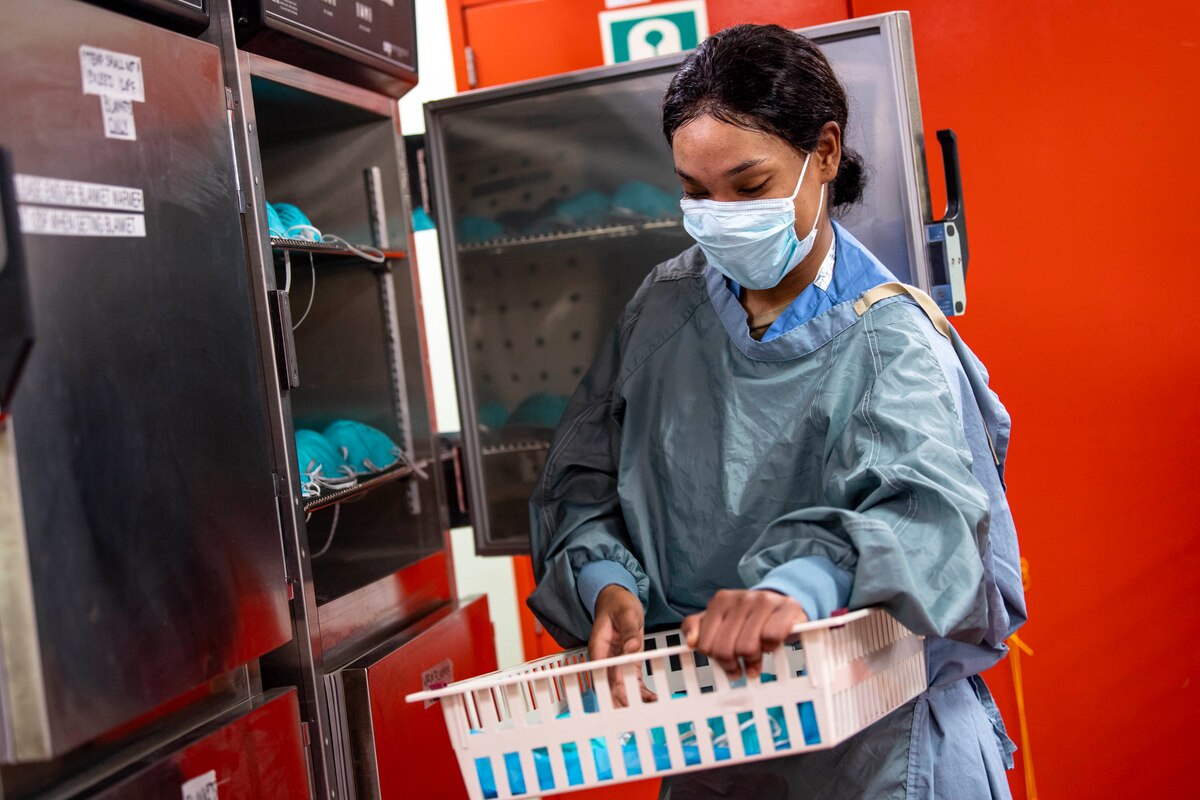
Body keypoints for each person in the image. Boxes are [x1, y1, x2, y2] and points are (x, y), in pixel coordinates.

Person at [528, 23, 1026, 800]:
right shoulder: (662, 312)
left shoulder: (891, 337)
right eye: (695, 192)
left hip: (881, 756)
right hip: (718, 748)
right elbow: (583, 483)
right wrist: (605, 584)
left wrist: (799, 586)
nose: (719, 213)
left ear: (823, 153)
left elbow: (932, 526)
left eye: (749, 187)